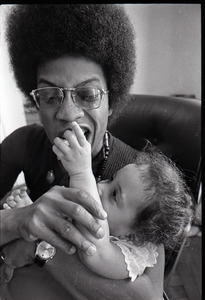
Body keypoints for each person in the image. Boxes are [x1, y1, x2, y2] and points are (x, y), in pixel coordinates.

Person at [0, 4, 168, 300]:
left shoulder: (137, 176)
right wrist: (17, 220)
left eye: (87, 94)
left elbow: (149, 294)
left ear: (112, 101)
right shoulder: (23, 143)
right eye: (51, 95)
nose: (67, 113)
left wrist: (38, 245)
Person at [3, 122, 192, 283]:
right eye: (111, 179)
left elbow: (93, 247)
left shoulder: (127, 255)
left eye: (114, 195)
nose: (100, 186)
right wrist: (28, 211)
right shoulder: (117, 223)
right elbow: (55, 227)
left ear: (134, 235)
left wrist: (81, 172)